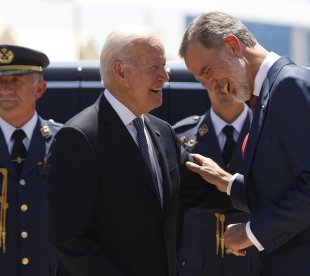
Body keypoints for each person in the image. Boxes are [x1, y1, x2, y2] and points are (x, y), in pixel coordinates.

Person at [179, 11, 310, 276]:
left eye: (208, 71)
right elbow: (285, 186)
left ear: (233, 45)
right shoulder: (270, 92)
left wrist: (251, 232)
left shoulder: (290, 87)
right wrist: (228, 182)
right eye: (201, 79)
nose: (210, 85)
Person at [46, 25, 230, 276]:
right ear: (121, 72)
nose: (165, 76)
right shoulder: (79, 138)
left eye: (164, 66)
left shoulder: (162, 132)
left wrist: (245, 189)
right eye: (155, 67)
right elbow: (68, 239)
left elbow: (203, 192)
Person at [173, 84, 260, 275]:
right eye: (214, 74)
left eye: (230, 76)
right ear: (203, 80)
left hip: (253, 264)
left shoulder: (267, 133)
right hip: (196, 265)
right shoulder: (181, 137)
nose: (223, 84)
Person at [0, 44, 61, 275]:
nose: (5, 90)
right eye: (0, 81)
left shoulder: (64, 143)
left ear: (40, 89)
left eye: (15, 80)